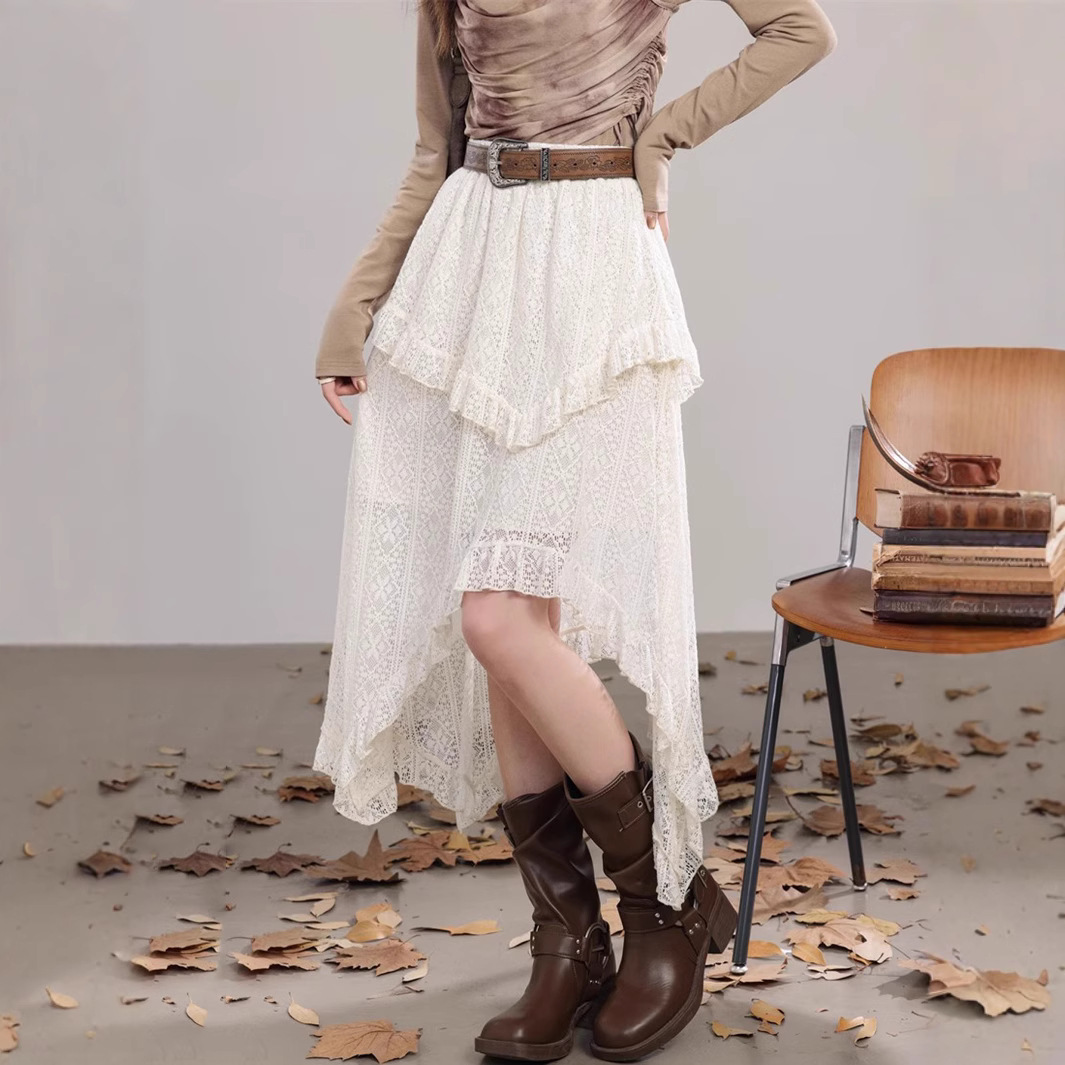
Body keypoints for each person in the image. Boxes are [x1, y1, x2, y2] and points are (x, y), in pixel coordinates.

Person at [312, 1, 836, 1060]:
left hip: (591, 268)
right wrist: (354, 307)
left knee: (498, 616)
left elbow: (800, 29)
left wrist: (661, 134)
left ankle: (664, 903)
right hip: (470, 267)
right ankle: (568, 939)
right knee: (511, 617)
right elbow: (436, 146)